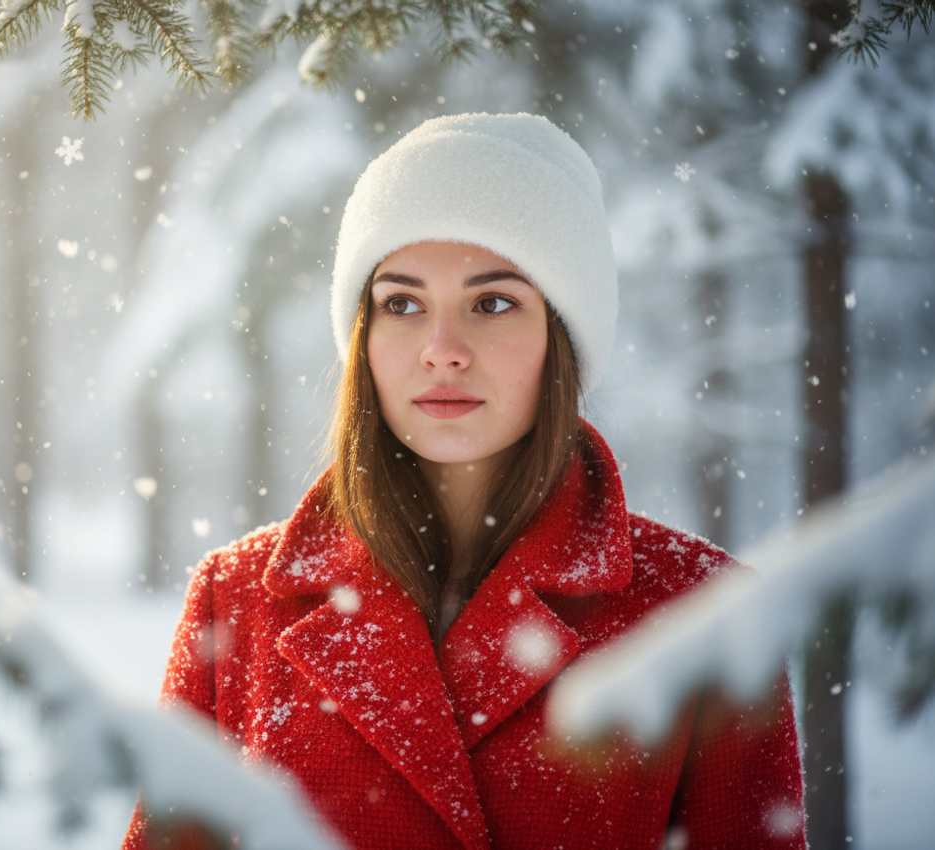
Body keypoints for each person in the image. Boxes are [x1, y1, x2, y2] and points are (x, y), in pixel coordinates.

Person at [124, 113, 805, 850]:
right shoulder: (241, 596)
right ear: (364, 340)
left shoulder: (704, 611)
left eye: (492, 302)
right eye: (402, 304)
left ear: (562, 337)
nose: (442, 350)